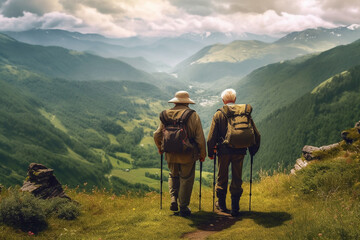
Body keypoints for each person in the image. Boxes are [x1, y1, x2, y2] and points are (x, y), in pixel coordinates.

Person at [207, 88, 260, 217]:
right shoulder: (244, 113)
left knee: (222, 177)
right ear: (235, 100)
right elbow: (256, 134)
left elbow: (211, 138)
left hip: (223, 152)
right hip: (240, 151)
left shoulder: (219, 114)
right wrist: (252, 150)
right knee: (237, 178)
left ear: (223, 100)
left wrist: (210, 152)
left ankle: (222, 205)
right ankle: (235, 208)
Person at [154, 91, 206, 217]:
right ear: (187, 102)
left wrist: (160, 147)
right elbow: (200, 137)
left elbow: (157, 134)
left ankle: (173, 199)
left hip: (170, 153)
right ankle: (183, 206)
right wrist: (202, 153)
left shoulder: (166, 114)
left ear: (175, 101)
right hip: (188, 153)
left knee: (173, 175)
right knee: (186, 178)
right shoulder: (193, 115)